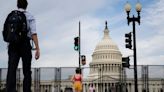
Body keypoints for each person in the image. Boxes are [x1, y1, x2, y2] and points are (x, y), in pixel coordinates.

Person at [5, 0, 40, 92]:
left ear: (17, 5)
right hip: (25, 44)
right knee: (26, 71)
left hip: (13, 45)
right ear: (26, 5)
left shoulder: (11, 15)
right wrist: (37, 48)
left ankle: (10, 90)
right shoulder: (30, 16)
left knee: (11, 69)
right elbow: (34, 33)